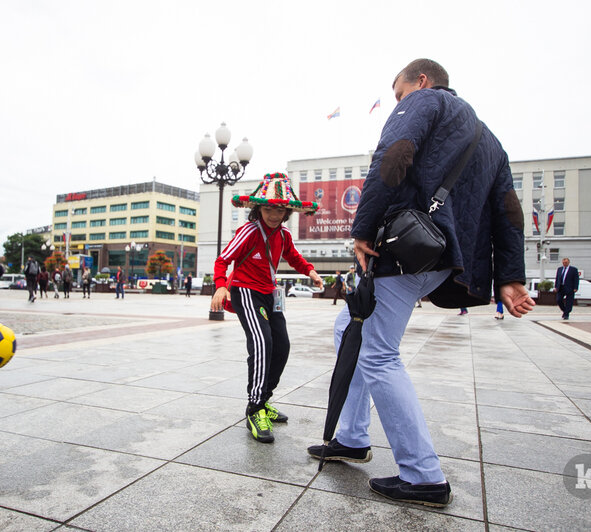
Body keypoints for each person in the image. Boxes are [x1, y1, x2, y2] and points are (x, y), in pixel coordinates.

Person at [306, 59, 534, 508]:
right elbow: (509, 209)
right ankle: (351, 436)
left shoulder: (424, 101)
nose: (398, 102)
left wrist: (363, 228)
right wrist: (510, 276)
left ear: (422, 81)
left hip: (408, 246)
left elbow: (393, 156)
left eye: (398, 94)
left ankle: (423, 475)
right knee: (348, 329)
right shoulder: (491, 141)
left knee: (378, 354)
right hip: (446, 257)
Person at [211, 172, 323, 444]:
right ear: (259, 208)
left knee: (281, 346)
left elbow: (293, 257)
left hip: (269, 294)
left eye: (280, 209)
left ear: (287, 212)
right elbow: (223, 260)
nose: (274, 214)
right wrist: (220, 285)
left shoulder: (283, 235)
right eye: (269, 207)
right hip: (245, 291)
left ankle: (265, 399)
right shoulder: (248, 231)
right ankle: (255, 408)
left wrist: (310, 271)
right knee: (262, 343)